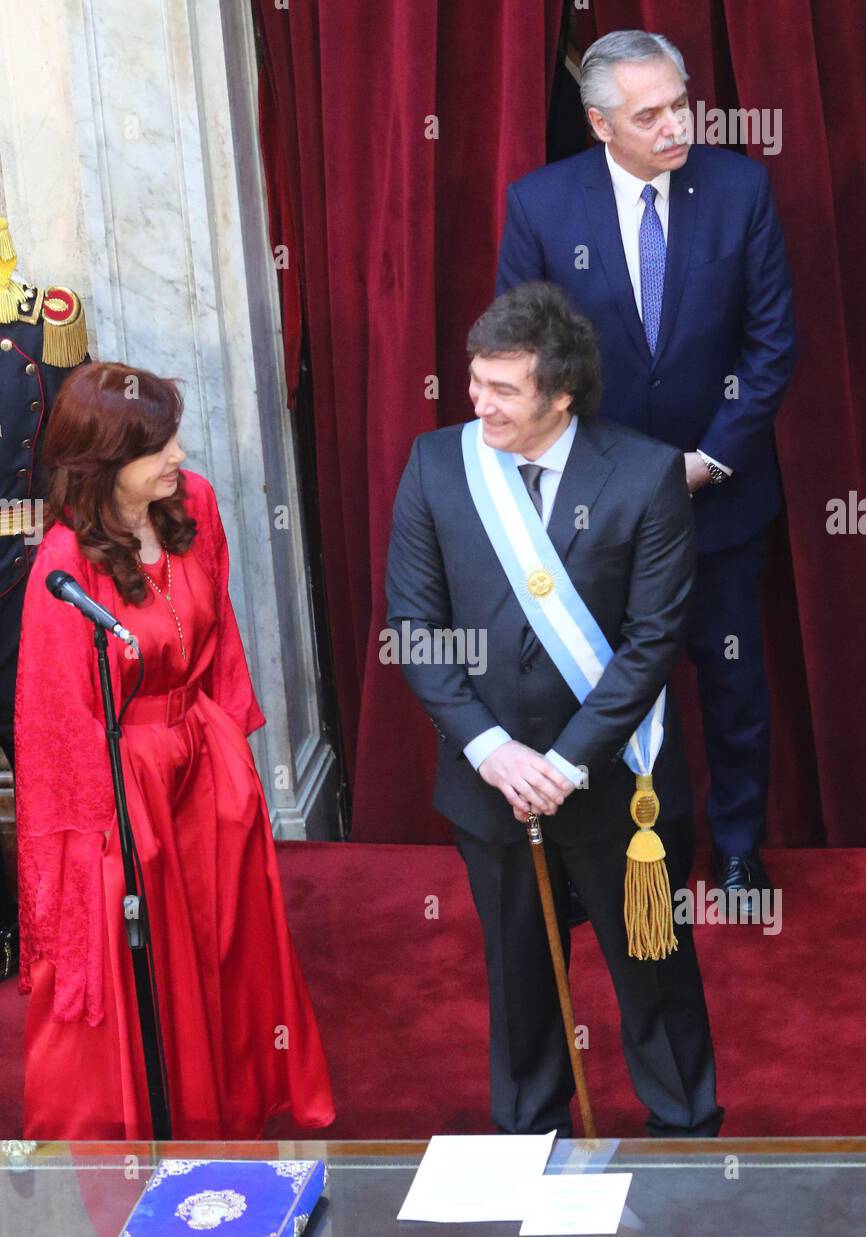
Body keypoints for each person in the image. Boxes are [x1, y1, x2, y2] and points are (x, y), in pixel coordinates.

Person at [386, 281, 723, 1138]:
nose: (480, 404)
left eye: (503, 390)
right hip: (490, 785)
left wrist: (568, 763)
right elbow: (416, 632)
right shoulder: (436, 464)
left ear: (561, 393)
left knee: (653, 972)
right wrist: (492, 751)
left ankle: (687, 1141)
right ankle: (528, 1141)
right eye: (475, 383)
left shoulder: (646, 474)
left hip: (617, 784)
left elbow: (652, 643)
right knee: (520, 979)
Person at [497, 30, 797, 912]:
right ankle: (625, 865)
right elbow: (524, 358)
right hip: (597, 513)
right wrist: (610, 479)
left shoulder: (740, 189)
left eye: (682, 102)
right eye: (651, 113)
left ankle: (738, 853)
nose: (677, 125)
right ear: (599, 124)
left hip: (721, 500)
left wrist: (706, 461)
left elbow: (771, 346)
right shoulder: (541, 206)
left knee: (735, 688)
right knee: (602, 695)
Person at [15, 361, 335, 1140]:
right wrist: (97, 860)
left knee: (226, 954)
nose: (181, 455)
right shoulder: (64, 567)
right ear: (102, 465)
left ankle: (232, 1115)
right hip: (127, 793)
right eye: (157, 446)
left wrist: (237, 766)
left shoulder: (194, 506)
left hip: (207, 768)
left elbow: (219, 636)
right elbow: (56, 733)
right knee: (162, 972)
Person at [0, 215, 90, 976]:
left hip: (25, 574)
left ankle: (57, 932)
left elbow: (88, 450)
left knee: (41, 756)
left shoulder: (44, 320)